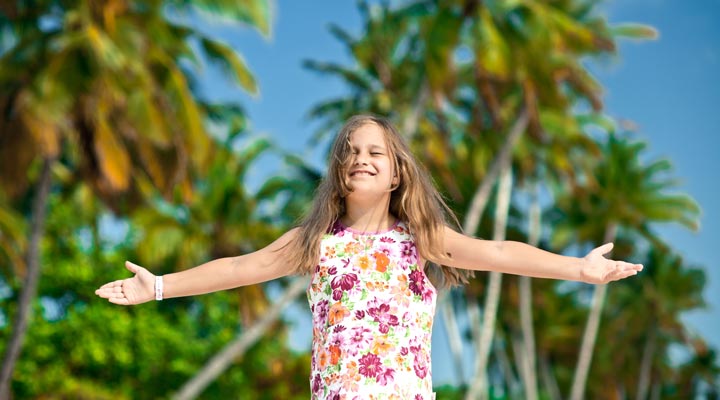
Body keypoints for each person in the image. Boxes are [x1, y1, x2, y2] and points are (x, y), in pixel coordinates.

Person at [95, 114, 643, 399]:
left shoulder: (422, 238)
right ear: (338, 170)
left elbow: (498, 250)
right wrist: (159, 286)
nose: (362, 158)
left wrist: (579, 268)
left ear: (397, 171)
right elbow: (239, 268)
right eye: (351, 152)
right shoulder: (313, 242)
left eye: (376, 152)